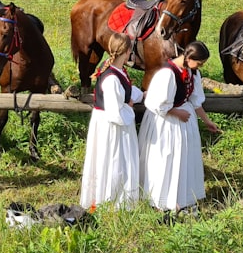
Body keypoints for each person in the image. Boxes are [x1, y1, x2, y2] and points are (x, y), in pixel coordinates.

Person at [138, 40, 221, 216]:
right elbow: (156, 104)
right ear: (188, 57)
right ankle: (160, 200)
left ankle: (180, 198)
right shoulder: (167, 74)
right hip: (165, 124)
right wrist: (177, 113)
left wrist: (206, 121)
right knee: (165, 159)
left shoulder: (192, 73)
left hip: (182, 124)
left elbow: (195, 100)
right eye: (198, 63)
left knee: (182, 160)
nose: (199, 67)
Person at [79, 32, 143, 209]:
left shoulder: (117, 71)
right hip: (112, 126)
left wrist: (138, 96)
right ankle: (112, 199)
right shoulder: (112, 78)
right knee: (114, 160)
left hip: (113, 122)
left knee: (118, 159)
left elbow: (127, 91)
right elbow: (115, 112)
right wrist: (129, 106)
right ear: (128, 51)